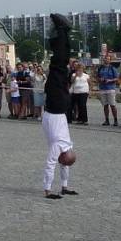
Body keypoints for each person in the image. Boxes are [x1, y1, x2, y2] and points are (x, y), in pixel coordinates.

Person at [42, 14, 77, 199]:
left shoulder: (60, 148)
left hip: (55, 110)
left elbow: (55, 163)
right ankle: (63, 32)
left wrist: (52, 188)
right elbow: (60, 163)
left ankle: (62, 31)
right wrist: (60, 187)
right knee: (62, 64)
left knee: (59, 64)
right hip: (58, 110)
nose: (62, 163)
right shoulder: (65, 147)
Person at [96, 55, 119, 126]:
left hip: (111, 88)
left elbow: (117, 78)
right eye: (105, 59)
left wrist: (110, 80)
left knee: (112, 105)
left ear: (110, 60)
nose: (106, 60)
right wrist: (100, 79)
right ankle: (107, 120)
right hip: (102, 88)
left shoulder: (113, 68)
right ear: (104, 60)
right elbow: (97, 77)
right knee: (105, 105)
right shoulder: (100, 68)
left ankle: (115, 120)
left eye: (108, 59)